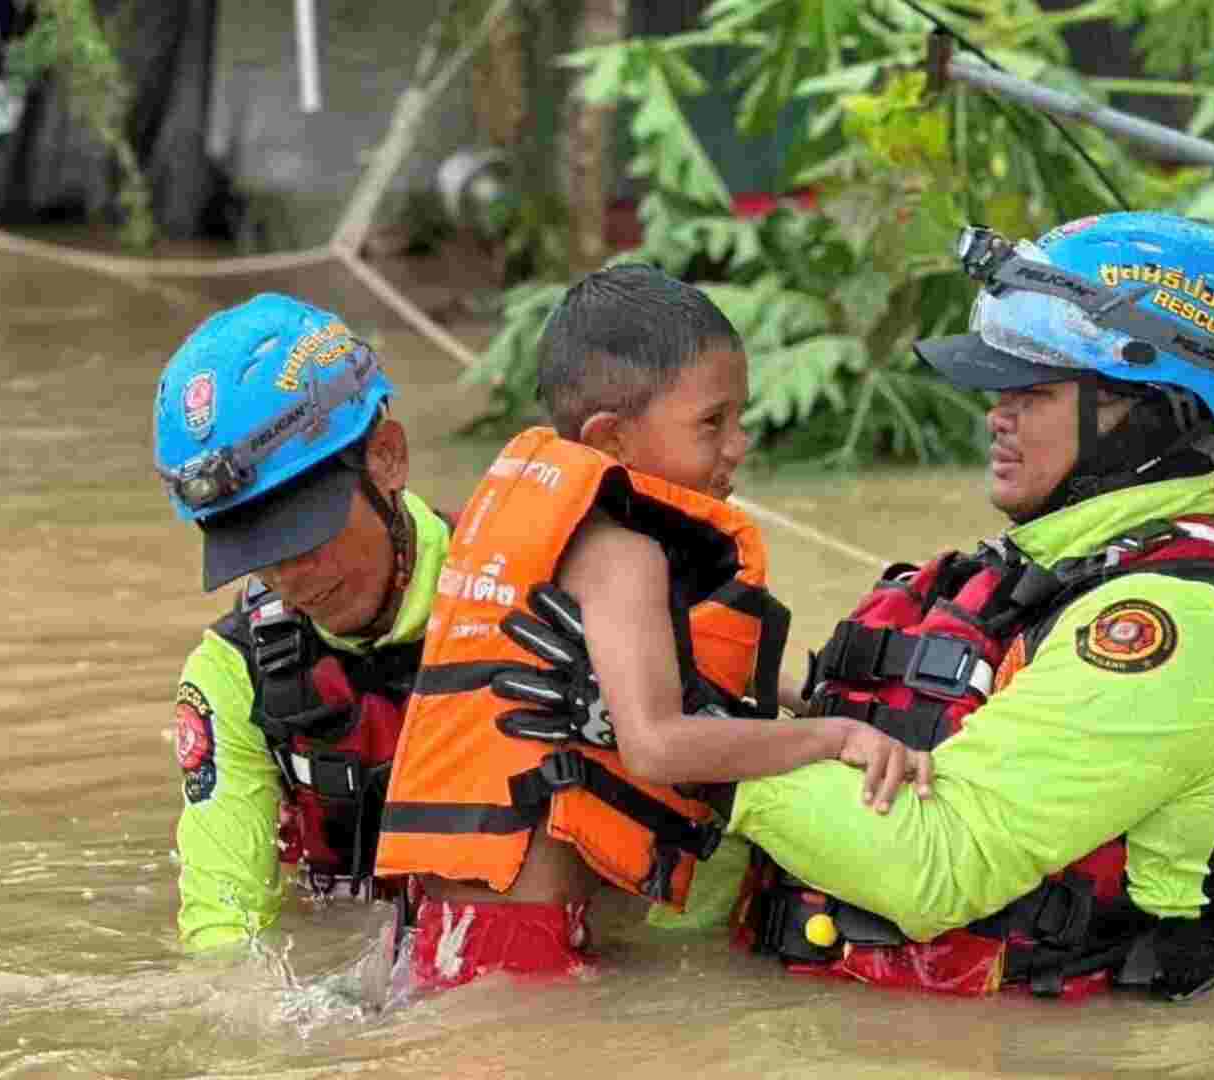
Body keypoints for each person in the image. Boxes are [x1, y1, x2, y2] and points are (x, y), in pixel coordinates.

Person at [701, 211, 1214, 1000]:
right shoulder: (1062, 573)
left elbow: (935, 867)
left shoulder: (1174, 628)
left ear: (1143, 410)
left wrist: (677, 746)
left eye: (1032, 391)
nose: (996, 414)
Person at [373, 264, 928, 990]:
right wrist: (839, 736)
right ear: (612, 441)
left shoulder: (555, 536)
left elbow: (628, 678)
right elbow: (658, 745)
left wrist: (798, 697)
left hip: (443, 926)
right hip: (520, 943)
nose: (739, 444)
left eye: (739, 418)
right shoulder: (623, 556)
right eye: (711, 423)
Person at [152, 294, 455, 952]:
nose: (288, 576)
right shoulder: (235, 673)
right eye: (257, 552)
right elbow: (224, 924)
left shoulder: (523, 598)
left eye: (304, 533)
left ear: (388, 459)